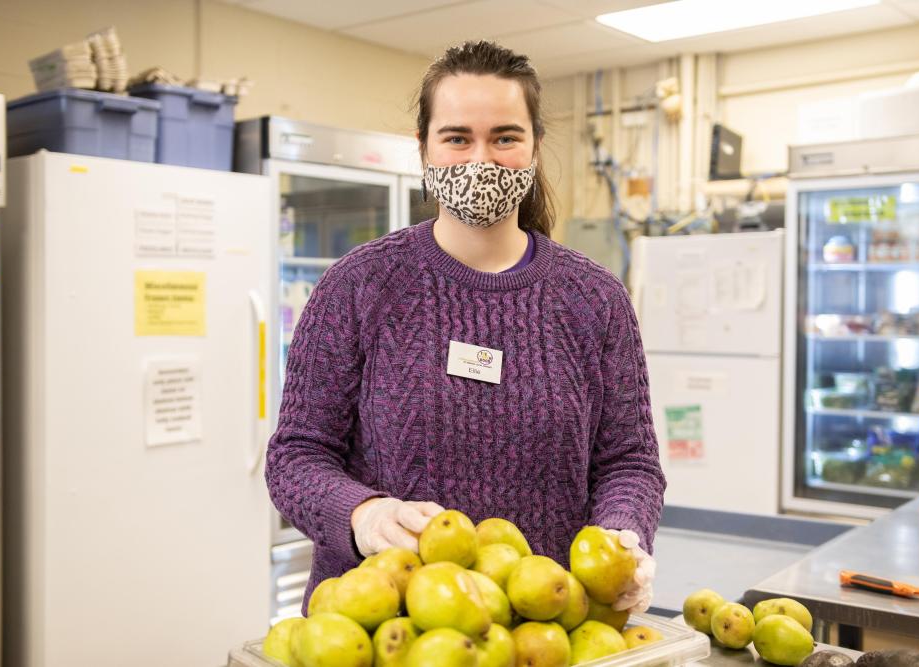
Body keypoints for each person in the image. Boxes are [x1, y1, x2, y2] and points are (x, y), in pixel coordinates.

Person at [266, 40, 665, 616]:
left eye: (505, 137)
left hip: (542, 629)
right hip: (382, 629)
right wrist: (365, 515)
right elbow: (296, 457)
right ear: (425, 149)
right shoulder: (359, 285)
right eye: (457, 137)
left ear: (535, 149)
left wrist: (623, 538)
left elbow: (628, 461)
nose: (481, 158)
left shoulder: (594, 297)